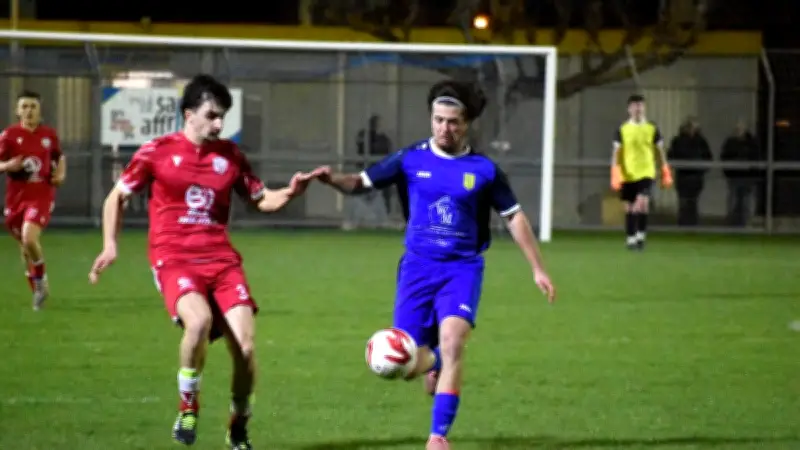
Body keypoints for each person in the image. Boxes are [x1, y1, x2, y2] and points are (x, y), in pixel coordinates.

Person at [314, 80, 556, 450]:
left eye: (453, 122)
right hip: (416, 270)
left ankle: (438, 436)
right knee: (404, 366)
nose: (445, 128)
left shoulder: (484, 170)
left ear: (467, 124)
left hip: (462, 269)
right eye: (438, 120)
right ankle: (437, 363)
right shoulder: (410, 159)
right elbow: (361, 182)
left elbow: (514, 216)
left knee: (454, 341)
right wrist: (331, 180)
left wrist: (537, 268)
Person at [87, 74, 321, 450]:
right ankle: (188, 403)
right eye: (212, 115)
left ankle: (239, 423)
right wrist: (110, 245)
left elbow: (260, 200)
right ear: (188, 114)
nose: (218, 124)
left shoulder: (230, 156)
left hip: (222, 261)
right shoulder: (156, 151)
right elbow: (116, 197)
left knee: (245, 348)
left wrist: (290, 193)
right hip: (174, 258)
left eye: (222, 117)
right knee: (198, 322)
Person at [0, 90, 66, 310]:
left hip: (41, 196)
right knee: (25, 248)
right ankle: (37, 288)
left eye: (33, 107)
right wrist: (8, 166)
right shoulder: (8, 136)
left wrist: (61, 174)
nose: (29, 111)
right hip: (16, 199)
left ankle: (41, 282)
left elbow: (59, 156)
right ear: (17, 110)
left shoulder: (49, 135)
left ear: (40, 110)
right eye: (25, 106)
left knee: (29, 237)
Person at [610, 94, 673, 250]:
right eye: (634, 106)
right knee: (630, 207)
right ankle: (631, 238)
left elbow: (660, 150)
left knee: (641, 203)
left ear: (644, 108)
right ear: (629, 109)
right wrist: (615, 172)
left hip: (647, 172)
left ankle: (641, 235)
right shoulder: (622, 129)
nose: (638, 109)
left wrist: (665, 169)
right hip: (628, 173)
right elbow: (616, 152)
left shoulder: (652, 128)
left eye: (640, 105)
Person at [667, 116, 712, 226]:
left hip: (696, 178)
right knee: (683, 203)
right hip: (683, 177)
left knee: (693, 203)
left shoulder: (701, 142)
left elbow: (708, 157)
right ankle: (682, 225)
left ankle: (693, 226)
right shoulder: (678, 141)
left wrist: (702, 168)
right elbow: (671, 156)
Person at [720, 120, 760, 227]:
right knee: (733, 202)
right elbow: (724, 157)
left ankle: (745, 224)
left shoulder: (751, 143)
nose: (738, 131)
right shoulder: (730, 142)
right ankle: (732, 224)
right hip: (734, 177)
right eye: (737, 129)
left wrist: (752, 171)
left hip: (748, 177)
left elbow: (756, 158)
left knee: (746, 202)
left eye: (740, 128)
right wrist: (728, 171)